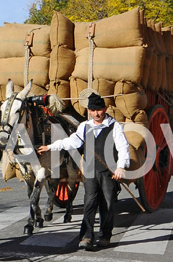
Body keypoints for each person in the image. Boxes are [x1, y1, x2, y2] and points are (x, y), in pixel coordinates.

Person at [38, 93, 129, 250]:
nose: (96, 113)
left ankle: (105, 235)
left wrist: (121, 167)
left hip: (109, 172)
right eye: (93, 110)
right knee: (89, 202)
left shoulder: (114, 126)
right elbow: (70, 142)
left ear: (105, 109)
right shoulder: (84, 126)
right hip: (90, 171)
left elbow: (123, 147)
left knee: (107, 204)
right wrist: (50, 147)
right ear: (88, 111)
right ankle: (86, 236)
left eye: (99, 110)